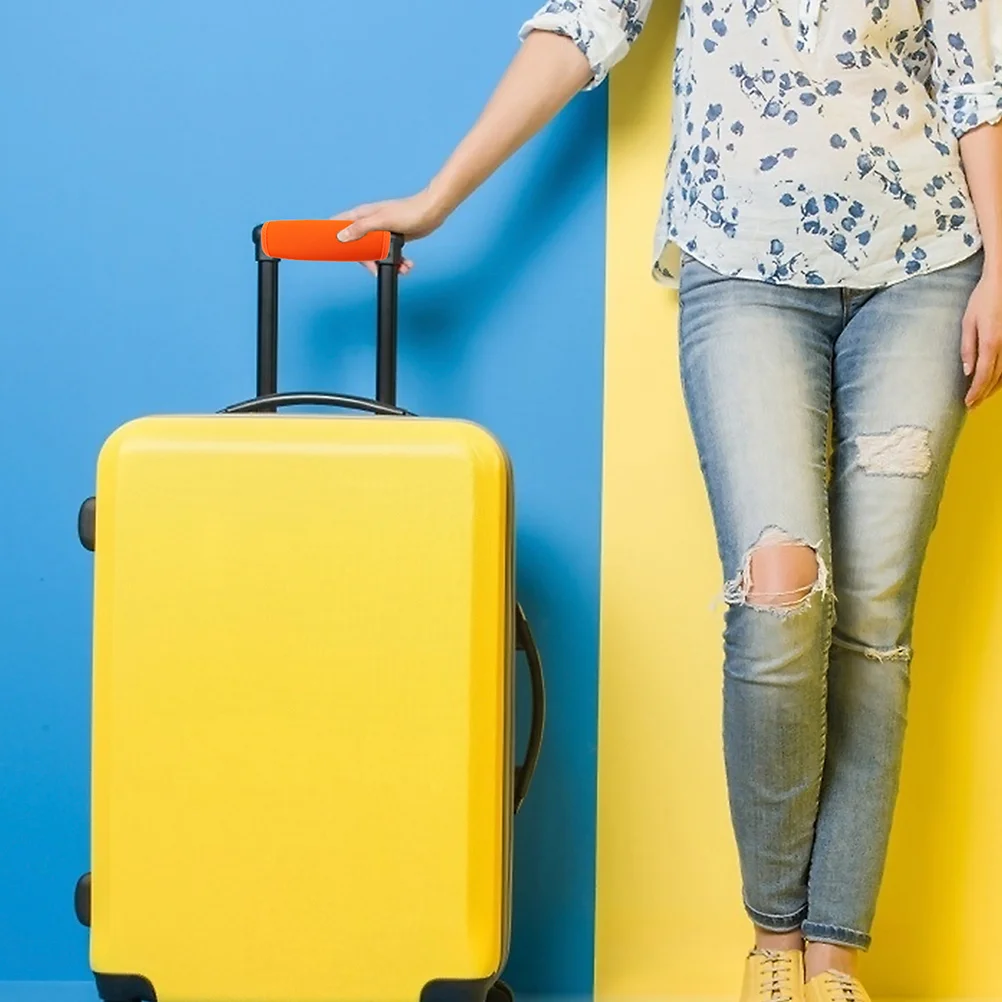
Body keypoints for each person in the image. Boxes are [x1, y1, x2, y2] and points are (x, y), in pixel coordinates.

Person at [337, 2, 1002, 1001]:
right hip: (742, 270)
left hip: (925, 271)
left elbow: (975, 72)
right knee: (780, 595)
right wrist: (441, 195)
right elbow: (585, 24)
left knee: (873, 622)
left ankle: (834, 962)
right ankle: (773, 943)